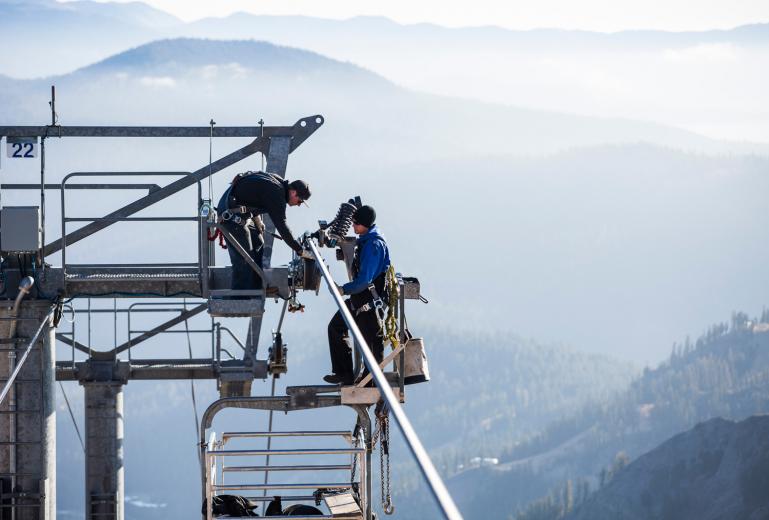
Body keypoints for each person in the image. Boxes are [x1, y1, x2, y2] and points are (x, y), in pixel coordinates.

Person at [324, 205, 391, 385]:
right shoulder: (366, 240)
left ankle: (371, 384)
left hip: (369, 302)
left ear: (365, 224)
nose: (353, 226)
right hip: (359, 300)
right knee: (336, 327)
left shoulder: (373, 245)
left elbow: (364, 280)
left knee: (371, 344)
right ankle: (344, 373)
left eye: (356, 223)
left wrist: (343, 290)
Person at [216, 170, 310, 291]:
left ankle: (257, 288)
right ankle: (241, 296)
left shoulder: (277, 181)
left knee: (258, 242)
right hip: (230, 215)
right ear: (293, 192)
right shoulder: (277, 194)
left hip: (238, 211)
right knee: (245, 259)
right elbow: (282, 227)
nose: (299, 204)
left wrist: (257, 221)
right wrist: (300, 250)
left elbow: (253, 194)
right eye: (300, 200)